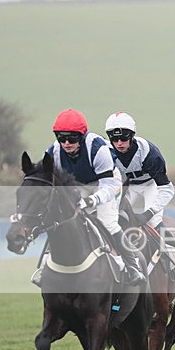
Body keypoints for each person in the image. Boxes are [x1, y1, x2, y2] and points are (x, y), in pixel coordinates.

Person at [33, 108, 146, 286]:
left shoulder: (97, 148)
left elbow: (108, 185)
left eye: (72, 138)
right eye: (62, 138)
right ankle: (45, 266)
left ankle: (132, 266)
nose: (67, 143)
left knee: (107, 221)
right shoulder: (53, 151)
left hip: (105, 182)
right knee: (61, 219)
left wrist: (92, 201)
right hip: (77, 183)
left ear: (82, 136)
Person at [104, 111, 175, 281]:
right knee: (111, 219)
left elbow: (167, 189)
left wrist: (148, 213)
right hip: (125, 186)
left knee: (153, 221)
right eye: (114, 139)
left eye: (124, 139)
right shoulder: (106, 152)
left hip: (150, 185)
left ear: (132, 136)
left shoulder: (150, 153)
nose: (119, 143)